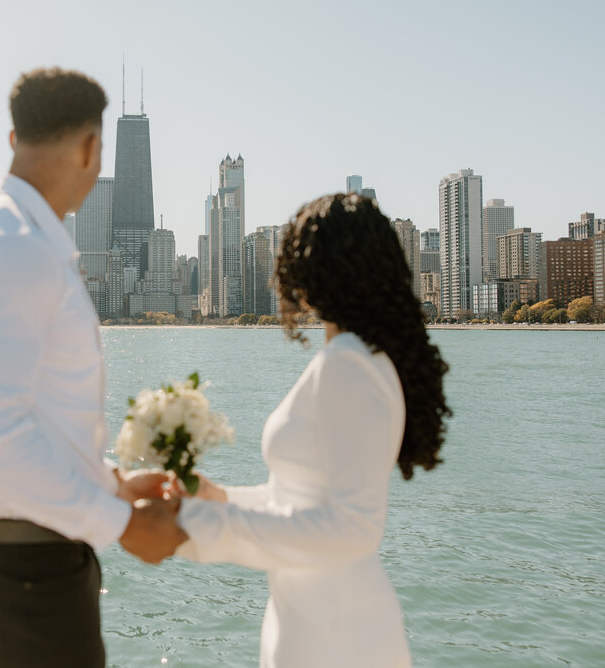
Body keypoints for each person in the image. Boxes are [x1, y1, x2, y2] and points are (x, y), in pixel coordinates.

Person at [0, 67, 186, 668]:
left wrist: (108, 481)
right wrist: (123, 524)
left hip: (9, 564)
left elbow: (29, 414)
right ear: (92, 149)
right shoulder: (13, 253)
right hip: (23, 573)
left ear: (14, 142)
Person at [175, 192, 451, 668]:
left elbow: (354, 526)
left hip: (336, 636)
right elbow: (303, 498)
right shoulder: (361, 359)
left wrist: (205, 531)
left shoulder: (348, 366)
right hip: (314, 619)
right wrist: (219, 498)